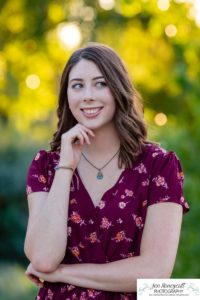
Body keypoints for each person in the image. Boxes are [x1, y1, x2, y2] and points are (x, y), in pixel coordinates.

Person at [24, 42, 190, 300]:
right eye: (77, 85)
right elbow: (44, 259)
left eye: (100, 83)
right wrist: (66, 166)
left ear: (118, 90)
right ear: (67, 95)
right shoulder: (46, 166)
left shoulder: (159, 166)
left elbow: (155, 273)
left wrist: (63, 274)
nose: (88, 95)